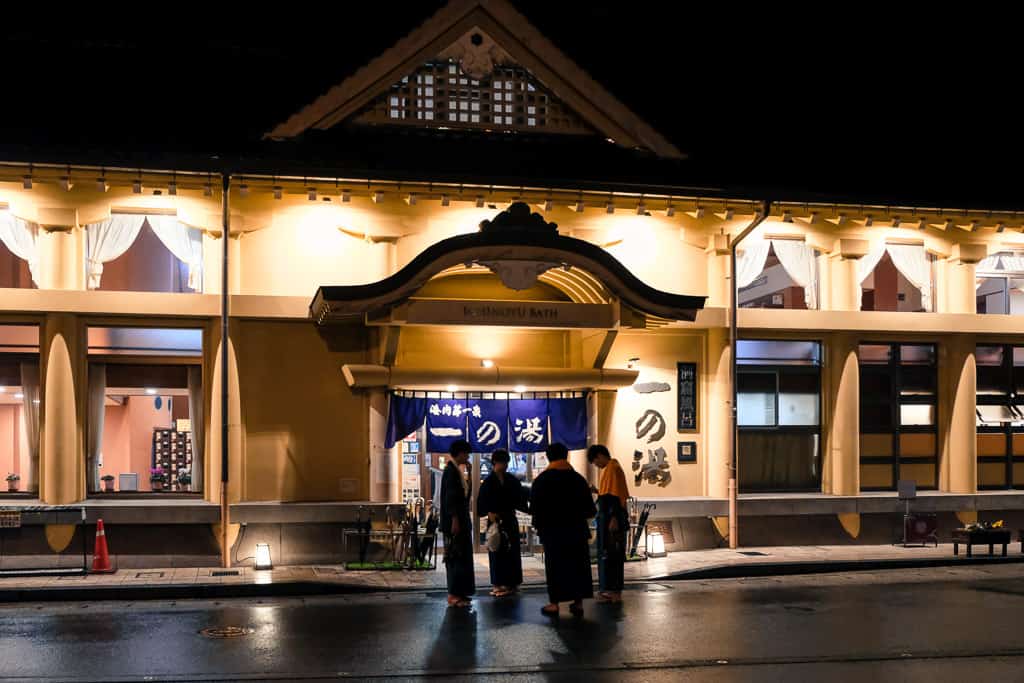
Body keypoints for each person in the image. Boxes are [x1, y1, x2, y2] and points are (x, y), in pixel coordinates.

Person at [530, 442, 596, 617]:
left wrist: (539, 526)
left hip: (552, 532)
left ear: (548, 457)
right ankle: (578, 603)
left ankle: (554, 603)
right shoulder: (578, 479)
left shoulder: (542, 480)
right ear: (566, 456)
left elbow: (535, 508)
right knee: (577, 565)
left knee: (555, 566)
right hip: (576, 531)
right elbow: (590, 509)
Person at [477, 449, 529, 597]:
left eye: (506, 462)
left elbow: (520, 498)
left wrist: (529, 509)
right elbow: (481, 503)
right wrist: (488, 512)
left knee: (512, 552)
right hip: (495, 521)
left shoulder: (511, 480)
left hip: (510, 519)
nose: (504, 466)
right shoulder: (488, 482)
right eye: (502, 462)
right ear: (494, 462)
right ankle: (498, 584)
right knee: (496, 551)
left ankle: (512, 584)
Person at [588, 444, 629, 603]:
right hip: (611, 516)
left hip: (612, 518)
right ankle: (611, 591)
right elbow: (611, 494)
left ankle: (613, 592)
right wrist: (597, 491)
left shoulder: (612, 468)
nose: (596, 465)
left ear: (600, 455)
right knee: (611, 555)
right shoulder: (612, 468)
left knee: (612, 555)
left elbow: (614, 498)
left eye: (595, 461)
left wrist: (613, 518)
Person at [440, 439, 475, 608]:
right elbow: (450, 498)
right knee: (456, 557)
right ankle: (454, 595)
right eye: (466, 453)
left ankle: (460, 593)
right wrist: (454, 520)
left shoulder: (457, 470)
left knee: (462, 557)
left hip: (461, 520)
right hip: (456, 522)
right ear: (460, 453)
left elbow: (464, 498)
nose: (468, 456)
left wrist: (469, 474)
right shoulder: (451, 471)